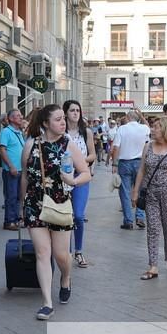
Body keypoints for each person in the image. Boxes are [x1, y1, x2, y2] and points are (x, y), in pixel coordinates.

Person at [21, 104, 91, 320]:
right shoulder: (31, 145)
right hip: (35, 204)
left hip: (60, 203)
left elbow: (86, 173)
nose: (63, 122)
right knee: (43, 253)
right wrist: (21, 204)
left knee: (62, 255)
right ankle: (46, 302)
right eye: (58, 119)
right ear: (45, 123)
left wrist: (73, 180)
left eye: (63, 118)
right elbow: (24, 175)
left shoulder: (69, 145)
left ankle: (65, 278)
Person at [132, 116, 167, 277]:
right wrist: (135, 191)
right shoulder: (148, 147)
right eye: (153, 127)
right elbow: (142, 170)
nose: (152, 130)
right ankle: (153, 266)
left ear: (165, 129)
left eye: (156, 127)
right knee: (153, 228)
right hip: (151, 194)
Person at [63, 100, 96, 269]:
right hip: (63, 177)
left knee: (78, 215)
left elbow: (93, 155)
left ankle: (79, 250)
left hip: (81, 176)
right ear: (66, 113)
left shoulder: (86, 132)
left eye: (78, 110)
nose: (76, 113)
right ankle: (65, 252)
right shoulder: (61, 132)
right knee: (64, 216)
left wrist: (80, 161)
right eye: (72, 110)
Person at [112, 109, 150, 230]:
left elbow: (116, 147)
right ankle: (140, 217)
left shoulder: (122, 129)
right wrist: (142, 117)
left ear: (128, 118)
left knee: (125, 192)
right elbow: (148, 135)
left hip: (124, 163)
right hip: (140, 162)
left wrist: (114, 164)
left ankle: (128, 220)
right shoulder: (144, 128)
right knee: (139, 190)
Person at [0, 109, 25, 231]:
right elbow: (2, 150)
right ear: (11, 119)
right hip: (12, 170)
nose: (21, 117)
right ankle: (9, 221)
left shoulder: (19, 132)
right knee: (11, 196)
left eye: (20, 115)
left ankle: (16, 219)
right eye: (18, 116)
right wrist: (11, 166)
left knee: (19, 196)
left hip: (21, 170)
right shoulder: (6, 132)